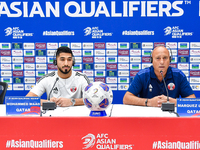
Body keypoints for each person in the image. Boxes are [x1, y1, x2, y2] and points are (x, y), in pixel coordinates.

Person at [123, 46, 196, 107]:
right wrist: (148, 102)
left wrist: (174, 102)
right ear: (152, 60)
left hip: (171, 117)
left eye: (165, 58)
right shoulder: (142, 75)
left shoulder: (179, 75)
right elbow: (126, 99)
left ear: (169, 60)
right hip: (147, 117)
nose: (161, 62)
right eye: (158, 58)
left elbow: (192, 100)